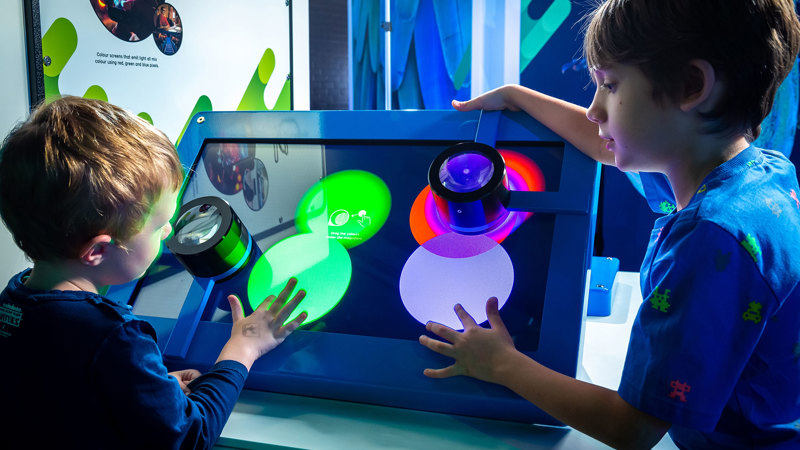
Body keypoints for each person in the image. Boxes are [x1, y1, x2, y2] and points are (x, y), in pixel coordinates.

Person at [419, 0, 800, 448]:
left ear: (692, 86)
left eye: (610, 85)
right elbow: (606, 146)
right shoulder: (759, 174)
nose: (595, 110)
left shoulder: (711, 236)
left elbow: (632, 428)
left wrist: (501, 364)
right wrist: (516, 96)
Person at [0, 96, 308, 448]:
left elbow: (67, 394)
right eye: (159, 225)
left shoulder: (13, 303)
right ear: (98, 251)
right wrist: (242, 348)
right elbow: (190, 435)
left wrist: (146, 389)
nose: (168, 232)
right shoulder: (115, 337)